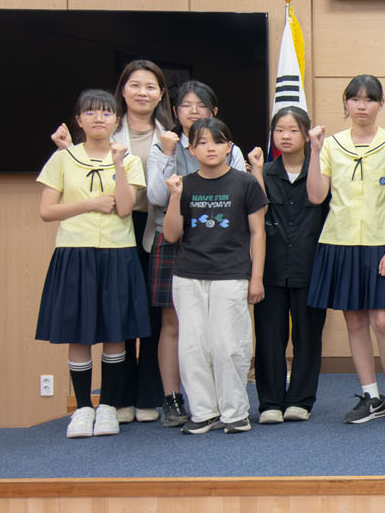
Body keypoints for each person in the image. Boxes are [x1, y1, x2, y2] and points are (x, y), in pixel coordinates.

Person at [36, 89, 151, 438]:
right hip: (75, 252)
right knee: (79, 333)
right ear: (79, 120)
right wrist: (91, 204)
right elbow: (47, 211)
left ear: (117, 120)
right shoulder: (62, 158)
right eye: (90, 112)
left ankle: (108, 407)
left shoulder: (128, 159)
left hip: (118, 252)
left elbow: (126, 208)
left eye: (106, 112)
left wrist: (117, 163)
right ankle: (83, 407)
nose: (98, 118)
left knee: (115, 334)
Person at [307, 75, 385, 424]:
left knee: (382, 320)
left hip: (379, 243)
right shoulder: (331, 145)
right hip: (338, 243)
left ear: (381, 104)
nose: (361, 106)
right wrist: (313, 150)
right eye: (355, 99)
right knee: (354, 321)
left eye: (369, 99)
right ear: (346, 103)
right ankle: (371, 396)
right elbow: (316, 196)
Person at [145, 81, 248, 427]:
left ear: (213, 111)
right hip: (174, 239)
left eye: (200, 105)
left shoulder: (229, 148)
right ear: (175, 112)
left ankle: (225, 405)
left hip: (221, 245)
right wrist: (165, 154)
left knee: (220, 332)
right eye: (185, 105)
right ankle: (175, 399)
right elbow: (156, 196)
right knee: (176, 325)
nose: (193, 111)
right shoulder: (166, 145)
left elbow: (242, 198)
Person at [161, 117, 267, 434]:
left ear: (229, 147)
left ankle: (235, 412)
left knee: (228, 345)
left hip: (231, 274)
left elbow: (258, 233)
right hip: (188, 276)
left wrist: (256, 278)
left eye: (218, 141)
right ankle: (204, 412)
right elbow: (171, 235)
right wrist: (175, 196)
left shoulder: (245, 183)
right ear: (191, 149)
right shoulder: (184, 184)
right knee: (192, 347)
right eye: (202, 142)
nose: (211, 148)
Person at [250, 106, 329, 424]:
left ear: (306, 134)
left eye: (293, 130)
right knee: (269, 336)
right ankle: (270, 401)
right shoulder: (265, 171)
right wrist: (256, 172)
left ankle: (300, 400)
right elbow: (258, 214)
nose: (285, 136)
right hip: (270, 267)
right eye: (279, 130)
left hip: (310, 266)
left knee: (308, 336)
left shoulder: (320, 170)